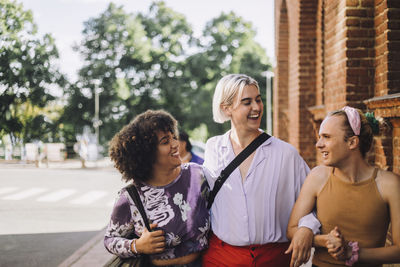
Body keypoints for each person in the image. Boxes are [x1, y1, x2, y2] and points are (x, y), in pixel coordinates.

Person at [202, 74, 320, 266]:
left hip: (274, 258)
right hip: (221, 258)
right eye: (247, 102)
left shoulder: (286, 154)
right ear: (226, 108)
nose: (256, 107)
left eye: (258, 99)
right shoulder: (213, 148)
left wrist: (307, 227)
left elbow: (315, 200)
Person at [287, 106, 400, 267]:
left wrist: (352, 253)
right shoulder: (317, 177)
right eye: (320, 137)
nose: (318, 144)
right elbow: (291, 229)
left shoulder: (390, 184)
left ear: (352, 142)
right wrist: (318, 237)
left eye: (326, 137)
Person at [104, 110, 210, 267]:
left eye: (174, 137)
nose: (176, 144)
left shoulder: (198, 175)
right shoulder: (131, 197)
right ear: (147, 153)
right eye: (165, 141)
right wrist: (137, 246)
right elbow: (110, 239)